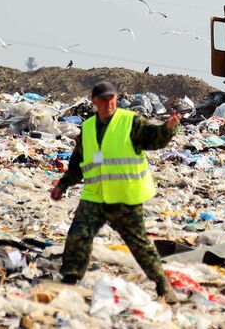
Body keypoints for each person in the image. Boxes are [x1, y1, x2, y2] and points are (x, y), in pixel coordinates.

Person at [50, 81, 182, 302]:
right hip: (95, 196)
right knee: (78, 235)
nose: (109, 103)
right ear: (94, 102)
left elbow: (153, 138)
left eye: (112, 99)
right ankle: (70, 280)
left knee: (139, 244)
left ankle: (163, 285)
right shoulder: (88, 128)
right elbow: (78, 162)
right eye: (103, 99)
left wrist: (168, 128)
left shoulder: (130, 122)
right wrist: (62, 185)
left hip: (124, 197)